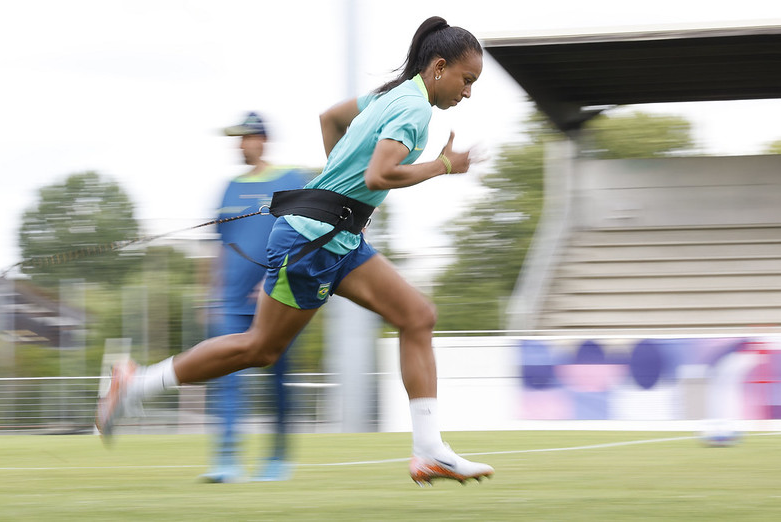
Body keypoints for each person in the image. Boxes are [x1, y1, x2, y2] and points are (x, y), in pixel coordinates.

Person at [97, 16, 493, 486]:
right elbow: (379, 176)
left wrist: (336, 187)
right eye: (467, 81)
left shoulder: (391, 96)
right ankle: (135, 384)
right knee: (260, 348)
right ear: (439, 67)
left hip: (337, 237)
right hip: (313, 240)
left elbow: (330, 118)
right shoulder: (415, 110)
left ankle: (430, 451)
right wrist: (443, 165)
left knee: (417, 316)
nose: (467, 92)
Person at [200, 112, 310, 483]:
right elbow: (217, 247)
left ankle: (278, 458)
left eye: (245, 137)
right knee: (226, 379)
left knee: (277, 380)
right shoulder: (228, 188)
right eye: (237, 138)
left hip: (277, 300)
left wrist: (270, 278)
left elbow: (305, 235)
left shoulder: (290, 180)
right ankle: (227, 461)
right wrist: (210, 295)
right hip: (230, 305)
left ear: (262, 140)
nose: (239, 144)